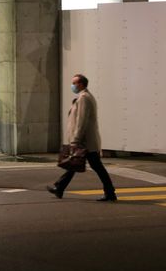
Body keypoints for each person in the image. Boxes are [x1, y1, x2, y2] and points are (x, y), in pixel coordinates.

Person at [47, 74, 117, 202]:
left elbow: (81, 120)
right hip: (85, 141)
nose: (72, 86)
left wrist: (76, 139)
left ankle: (110, 193)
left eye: (74, 83)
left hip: (85, 141)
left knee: (94, 166)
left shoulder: (84, 98)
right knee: (73, 164)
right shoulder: (82, 97)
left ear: (81, 84)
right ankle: (59, 187)